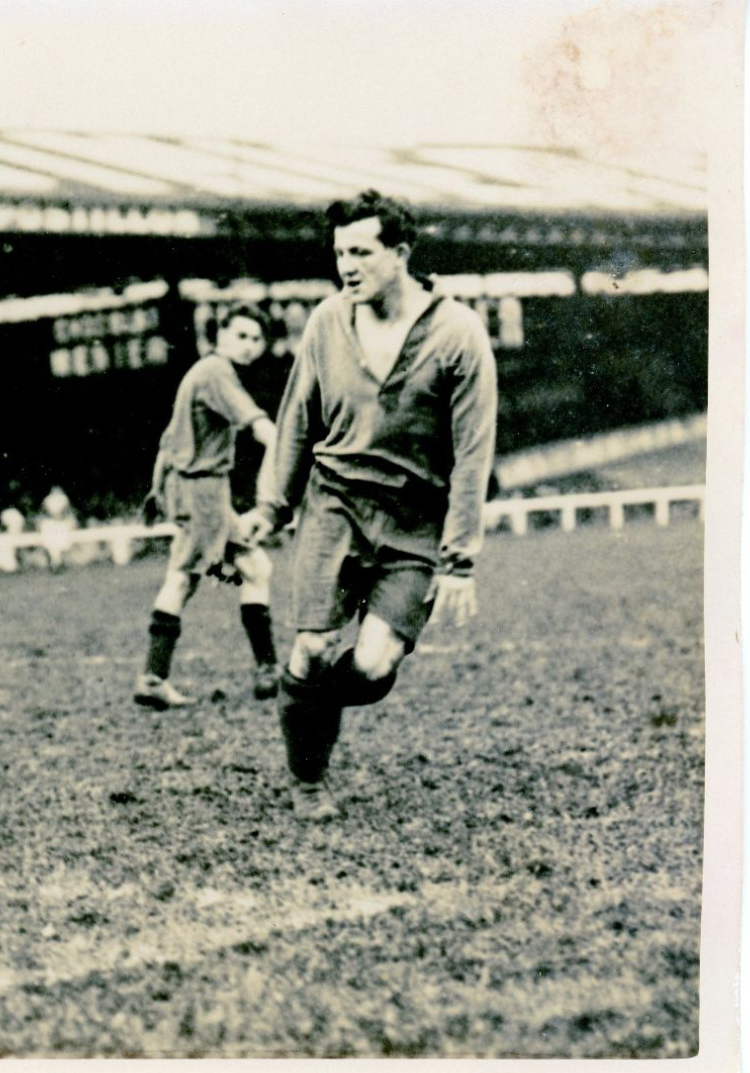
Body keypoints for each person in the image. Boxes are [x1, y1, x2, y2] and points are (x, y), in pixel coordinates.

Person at [245, 189, 498, 821]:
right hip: (335, 504)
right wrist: (271, 507)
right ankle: (309, 780)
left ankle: (302, 704)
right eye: (340, 253)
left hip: (415, 520)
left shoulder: (458, 333)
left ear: (401, 253)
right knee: (311, 650)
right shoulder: (327, 321)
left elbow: (473, 453)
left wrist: (459, 561)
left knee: (375, 663)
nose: (347, 266)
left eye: (362, 251)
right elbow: (297, 419)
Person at [134, 302, 281, 710]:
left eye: (256, 339)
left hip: (197, 489)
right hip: (204, 491)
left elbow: (167, 440)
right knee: (184, 578)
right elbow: (257, 424)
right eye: (241, 336)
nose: (250, 345)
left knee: (254, 568)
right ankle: (153, 678)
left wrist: (155, 490)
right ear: (220, 335)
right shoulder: (217, 372)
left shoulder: (201, 372)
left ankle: (267, 672)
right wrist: (293, 453)